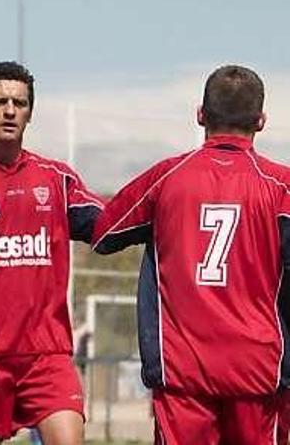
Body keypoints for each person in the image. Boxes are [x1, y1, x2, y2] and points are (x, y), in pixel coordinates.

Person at [92, 65, 288, 443]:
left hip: (183, 371)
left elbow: (104, 234)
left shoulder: (166, 178)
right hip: (258, 369)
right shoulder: (282, 187)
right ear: (261, 121)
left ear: (200, 114)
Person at [0, 62, 102, 445]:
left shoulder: (57, 179)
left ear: (30, 111)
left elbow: (110, 225)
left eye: (19, 103)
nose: (9, 111)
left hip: (47, 354)